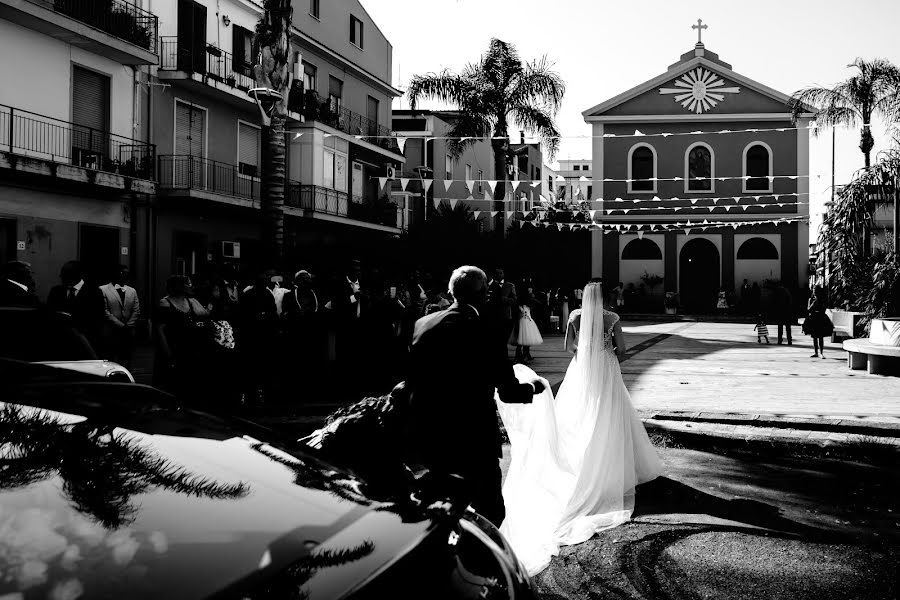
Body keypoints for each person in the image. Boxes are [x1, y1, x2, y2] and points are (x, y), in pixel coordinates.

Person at [496, 280, 662, 575]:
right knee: (609, 412)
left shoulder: (574, 316)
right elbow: (621, 349)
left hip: (581, 367)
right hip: (606, 367)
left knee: (577, 413)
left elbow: (568, 346)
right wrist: (607, 348)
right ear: (604, 297)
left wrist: (584, 350)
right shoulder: (612, 318)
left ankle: (578, 457)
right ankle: (614, 461)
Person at [405, 265, 543, 527]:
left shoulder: (423, 324)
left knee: (440, 507)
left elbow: (411, 377)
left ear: (450, 291)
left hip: (431, 431)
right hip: (473, 435)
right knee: (490, 512)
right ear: (484, 296)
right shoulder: (487, 329)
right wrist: (533, 387)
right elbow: (509, 392)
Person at [153, 275, 210, 398]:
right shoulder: (165, 302)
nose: (191, 286)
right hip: (174, 346)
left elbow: (205, 315)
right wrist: (167, 352)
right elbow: (159, 330)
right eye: (188, 284)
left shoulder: (191, 301)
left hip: (190, 348)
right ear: (179, 286)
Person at [47, 260, 105, 352]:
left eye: (64, 274)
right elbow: (50, 314)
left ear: (75, 275)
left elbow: (98, 317)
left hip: (86, 341)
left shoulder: (94, 292)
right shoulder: (56, 291)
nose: (60, 276)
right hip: (61, 341)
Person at [99, 265, 140, 368]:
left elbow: (136, 310)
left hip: (128, 332)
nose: (125, 276)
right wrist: (121, 325)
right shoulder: (103, 289)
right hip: (110, 331)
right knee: (109, 359)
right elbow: (104, 311)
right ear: (115, 274)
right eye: (122, 273)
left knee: (126, 359)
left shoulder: (132, 291)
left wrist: (129, 325)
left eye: (127, 273)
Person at [486, 268, 517, 349]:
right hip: (492, 315)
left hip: (505, 315)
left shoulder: (510, 285)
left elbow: (514, 301)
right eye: (497, 273)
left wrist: (504, 299)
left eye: (501, 273)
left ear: (504, 274)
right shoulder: (489, 285)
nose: (499, 275)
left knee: (504, 338)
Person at [803, 285, 834, 359]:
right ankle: (816, 352)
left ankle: (821, 352)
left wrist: (814, 304)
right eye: (813, 290)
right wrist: (810, 304)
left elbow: (823, 309)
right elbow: (808, 310)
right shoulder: (812, 299)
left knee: (820, 336)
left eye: (815, 290)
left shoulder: (821, 300)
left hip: (820, 318)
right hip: (814, 318)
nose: (814, 291)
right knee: (814, 336)